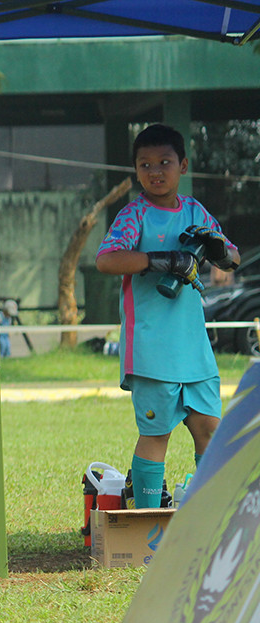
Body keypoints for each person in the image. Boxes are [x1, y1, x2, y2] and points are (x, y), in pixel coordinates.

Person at [96, 124, 239, 508]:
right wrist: (159, 260)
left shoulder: (195, 211)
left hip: (195, 350)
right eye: (145, 165)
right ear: (136, 171)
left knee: (210, 428)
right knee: (157, 433)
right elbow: (107, 259)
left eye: (164, 162)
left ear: (183, 165)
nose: (155, 171)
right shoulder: (134, 214)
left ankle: (211, 515)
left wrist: (218, 250)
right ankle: (145, 520)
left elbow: (233, 256)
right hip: (151, 349)